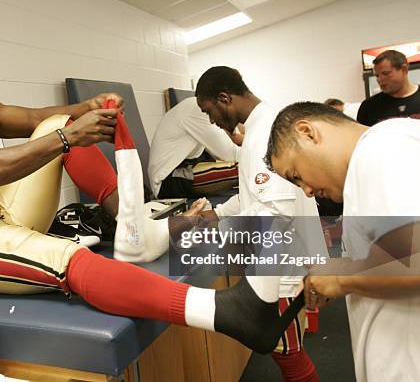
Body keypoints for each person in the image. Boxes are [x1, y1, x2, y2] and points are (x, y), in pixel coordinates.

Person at [0, 11, 302, 354]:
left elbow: (32, 120)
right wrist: (67, 136)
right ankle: (225, 313)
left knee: (58, 123)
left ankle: (136, 232)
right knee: (71, 256)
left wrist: (82, 110)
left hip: (0, 216)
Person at [264, 101, 420, 381]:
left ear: (307, 132)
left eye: (297, 176)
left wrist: (340, 278)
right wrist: (346, 268)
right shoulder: (375, 156)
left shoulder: (381, 149)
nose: (308, 191)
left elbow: (414, 262)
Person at [192, 66, 325, 382]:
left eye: (208, 111)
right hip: (287, 262)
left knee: (288, 353)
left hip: (280, 269)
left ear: (224, 98)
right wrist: (219, 213)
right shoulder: (265, 126)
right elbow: (255, 194)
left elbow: (273, 216)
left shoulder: (262, 136)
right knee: (287, 350)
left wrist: (217, 231)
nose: (211, 120)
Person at [148, 96, 239, 198]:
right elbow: (231, 154)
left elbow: (232, 142)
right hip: (167, 181)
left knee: (245, 164)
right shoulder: (197, 110)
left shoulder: (204, 108)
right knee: (242, 168)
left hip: (189, 165)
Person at [357, 50, 420, 126]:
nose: (380, 80)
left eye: (385, 73)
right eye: (377, 76)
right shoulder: (368, 107)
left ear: (404, 70)